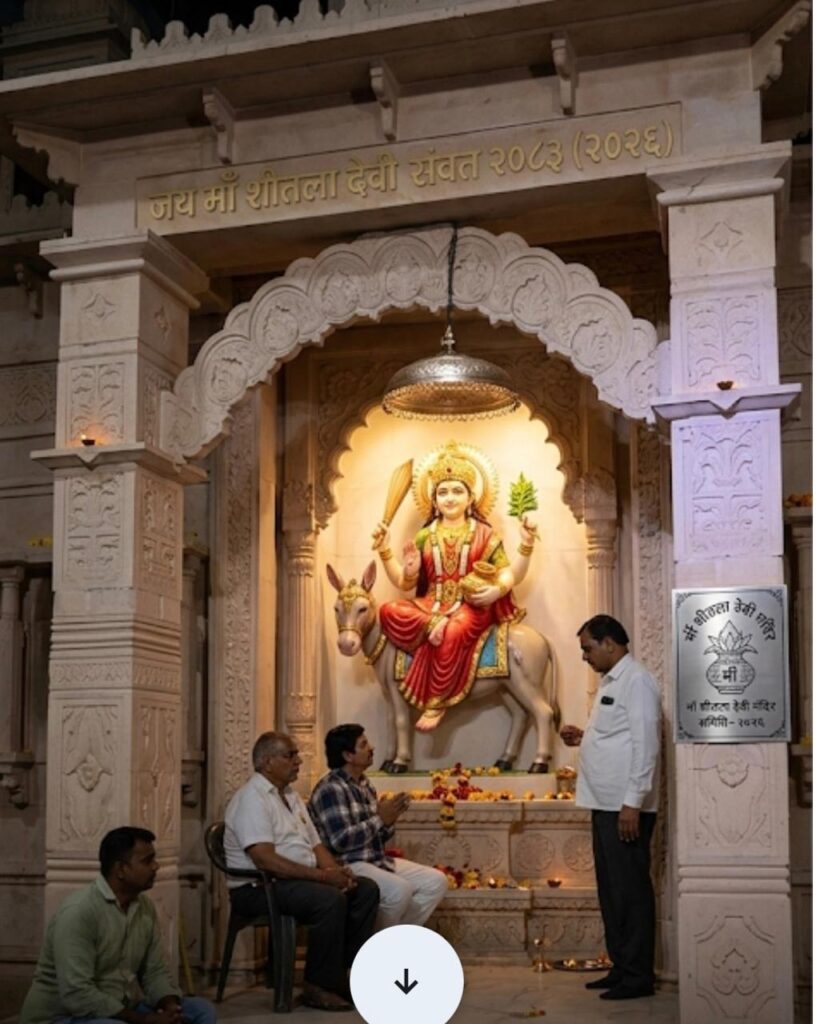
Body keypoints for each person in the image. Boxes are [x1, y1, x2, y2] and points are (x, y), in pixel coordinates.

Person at [372, 441, 536, 731]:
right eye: (443, 492)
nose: (450, 498)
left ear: (471, 498)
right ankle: (433, 625)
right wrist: (392, 556)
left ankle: (437, 701)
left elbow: (510, 574)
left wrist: (503, 581)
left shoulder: (484, 534)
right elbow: (404, 583)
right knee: (387, 610)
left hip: (471, 607)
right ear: (434, 501)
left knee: (453, 630)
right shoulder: (425, 535)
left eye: (457, 491)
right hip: (429, 606)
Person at [224, 731, 379, 1013]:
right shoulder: (252, 798)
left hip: (291, 881)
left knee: (365, 889)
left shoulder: (290, 795)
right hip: (258, 888)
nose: (298, 761)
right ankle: (317, 986)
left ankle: (343, 976)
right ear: (268, 762)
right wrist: (323, 877)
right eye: (290, 755)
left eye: (296, 754)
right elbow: (265, 859)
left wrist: (337, 873)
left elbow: (316, 845)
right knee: (328, 899)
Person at [560, 615, 661, 1001]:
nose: (585, 656)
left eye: (588, 648)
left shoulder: (637, 681)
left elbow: (646, 744)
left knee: (630, 892)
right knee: (613, 891)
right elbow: (620, 736)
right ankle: (621, 966)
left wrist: (632, 803)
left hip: (624, 807)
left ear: (609, 644)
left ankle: (637, 976)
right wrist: (585, 738)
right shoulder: (612, 681)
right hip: (605, 804)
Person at [20, 827, 216, 1024]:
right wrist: (144, 1020)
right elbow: (77, 993)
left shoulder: (144, 907)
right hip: (65, 1016)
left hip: (120, 1010)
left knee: (201, 1010)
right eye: (147, 861)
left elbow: (154, 972)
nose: (156, 866)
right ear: (121, 869)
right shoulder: (79, 911)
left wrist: (171, 1006)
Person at [309, 724, 448, 929]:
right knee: (399, 891)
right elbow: (341, 841)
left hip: (376, 860)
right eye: (363, 745)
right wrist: (380, 819)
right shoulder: (331, 788)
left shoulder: (365, 785)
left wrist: (390, 819)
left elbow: (377, 837)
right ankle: (376, 944)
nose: (371, 748)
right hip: (348, 864)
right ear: (347, 755)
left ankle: (387, 940)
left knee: (436, 882)